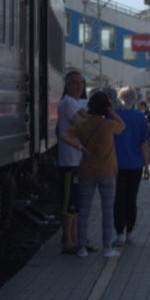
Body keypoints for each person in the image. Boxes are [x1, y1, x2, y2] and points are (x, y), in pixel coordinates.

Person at [60, 91, 125, 258]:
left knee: (84, 211)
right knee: (107, 211)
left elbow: (64, 135)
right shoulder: (108, 124)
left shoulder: (82, 124)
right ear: (106, 106)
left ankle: (81, 248)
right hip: (107, 173)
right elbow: (122, 126)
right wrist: (111, 111)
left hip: (86, 172)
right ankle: (107, 248)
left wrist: (81, 148)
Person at [112, 87, 150, 246]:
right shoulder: (140, 117)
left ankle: (119, 233)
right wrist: (147, 166)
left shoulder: (112, 115)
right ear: (134, 99)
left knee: (118, 199)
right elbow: (144, 144)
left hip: (115, 165)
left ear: (118, 98)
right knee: (131, 199)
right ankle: (130, 231)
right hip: (135, 165)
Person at [56, 71, 89, 254]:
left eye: (81, 83)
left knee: (75, 202)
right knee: (69, 202)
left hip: (76, 161)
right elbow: (84, 124)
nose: (78, 86)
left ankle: (75, 239)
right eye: (75, 83)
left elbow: (89, 120)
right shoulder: (68, 103)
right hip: (69, 161)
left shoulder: (75, 103)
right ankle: (68, 241)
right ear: (68, 85)